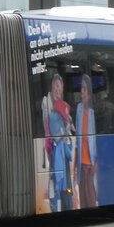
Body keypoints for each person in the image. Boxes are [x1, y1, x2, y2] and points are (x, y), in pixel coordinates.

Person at [45, 73, 74, 212]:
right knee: (56, 185)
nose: (57, 89)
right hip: (54, 154)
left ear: (62, 89)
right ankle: (56, 208)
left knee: (66, 186)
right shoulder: (50, 110)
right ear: (51, 88)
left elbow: (70, 134)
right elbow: (55, 135)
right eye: (55, 86)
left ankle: (67, 207)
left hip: (64, 155)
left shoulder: (64, 109)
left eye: (59, 86)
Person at [73, 74, 99, 209]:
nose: (81, 91)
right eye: (81, 88)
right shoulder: (79, 109)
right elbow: (78, 137)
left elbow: (97, 137)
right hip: (81, 163)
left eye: (83, 88)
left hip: (91, 163)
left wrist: (97, 162)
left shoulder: (94, 112)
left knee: (91, 198)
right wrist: (75, 165)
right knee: (83, 200)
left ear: (89, 92)